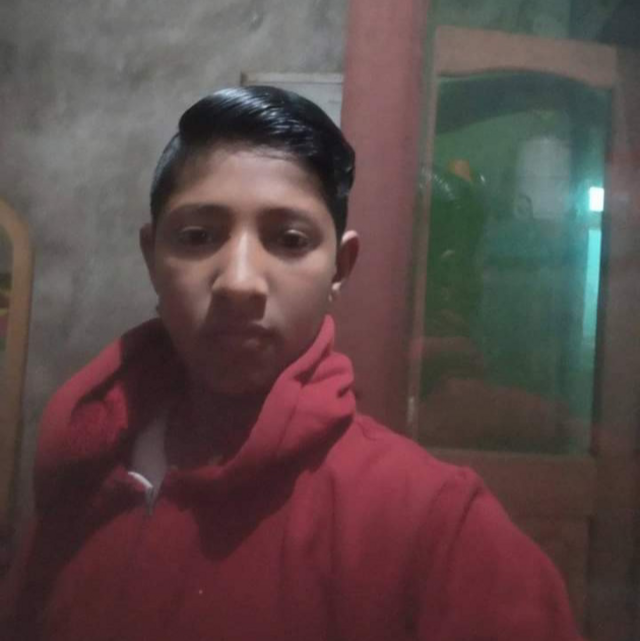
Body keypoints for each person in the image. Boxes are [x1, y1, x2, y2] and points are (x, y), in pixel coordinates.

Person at [1, 86, 584, 640]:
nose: (239, 283)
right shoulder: (84, 472)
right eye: (199, 236)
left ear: (340, 268)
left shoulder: (435, 526)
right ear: (153, 258)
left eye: (289, 240)